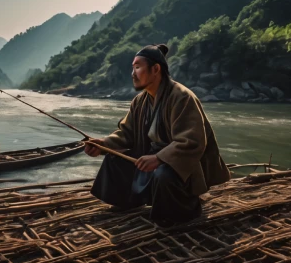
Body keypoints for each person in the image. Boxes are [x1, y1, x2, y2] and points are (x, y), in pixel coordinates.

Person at [84, 44, 230, 226]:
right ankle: (128, 202)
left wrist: (159, 158)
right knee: (114, 159)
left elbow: (191, 141)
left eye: (138, 67)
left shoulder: (182, 97)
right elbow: (126, 133)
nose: (133, 73)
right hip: (152, 159)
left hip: (179, 165)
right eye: (132, 68)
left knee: (163, 174)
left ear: (155, 69)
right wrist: (103, 145)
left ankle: (183, 211)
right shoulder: (140, 101)